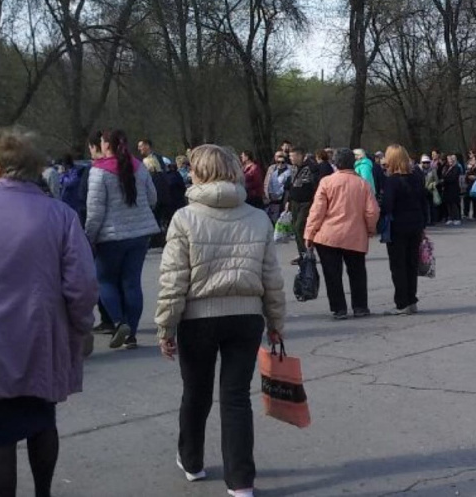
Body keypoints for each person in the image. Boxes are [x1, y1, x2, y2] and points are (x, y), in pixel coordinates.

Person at [155, 144, 285, 497]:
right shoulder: (258, 217)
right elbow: (271, 277)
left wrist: (166, 326)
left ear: (197, 173)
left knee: (195, 393)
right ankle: (241, 481)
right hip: (245, 316)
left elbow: (173, 279)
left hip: (198, 318)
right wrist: (275, 320)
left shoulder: (185, 218)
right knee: (236, 397)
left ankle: (192, 461)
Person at [0, 127, 99, 497]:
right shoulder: (59, 215)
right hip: (42, 337)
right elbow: (82, 285)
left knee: (0, 437)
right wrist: (82, 328)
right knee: (42, 420)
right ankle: (44, 492)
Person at [86, 129, 159, 349]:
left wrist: (89, 237)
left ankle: (118, 322)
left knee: (104, 280)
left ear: (106, 145)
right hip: (140, 234)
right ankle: (131, 334)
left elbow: (95, 212)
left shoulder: (99, 172)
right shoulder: (139, 166)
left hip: (111, 236)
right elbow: (153, 198)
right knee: (132, 283)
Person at [305, 149, 379, 319]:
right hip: (355, 234)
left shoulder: (326, 182)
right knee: (357, 272)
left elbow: (317, 211)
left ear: (336, 163)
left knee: (332, 274)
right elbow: (372, 211)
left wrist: (309, 233)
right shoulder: (363, 184)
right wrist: (370, 229)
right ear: (353, 163)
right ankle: (360, 306)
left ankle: (339, 309)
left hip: (328, 235)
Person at [380, 145, 426, 316]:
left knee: (398, 266)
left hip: (398, 227)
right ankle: (412, 300)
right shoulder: (416, 176)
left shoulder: (392, 180)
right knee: (411, 264)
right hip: (415, 224)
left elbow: (388, 206)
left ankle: (402, 303)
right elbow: (423, 202)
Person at [285, 147, 321, 264]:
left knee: (300, 226)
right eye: (290, 156)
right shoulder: (293, 169)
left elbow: (316, 182)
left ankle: (308, 252)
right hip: (295, 201)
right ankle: (302, 253)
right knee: (295, 228)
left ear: (300, 156)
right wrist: (288, 200)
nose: (291, 158)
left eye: (293, 156)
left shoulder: (310, 167)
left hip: (306, 202)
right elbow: (291, 185)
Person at [263, 151, 291, 223]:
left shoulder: (290, 170)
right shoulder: (272, 170)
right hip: (272, 200)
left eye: (282, 162)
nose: (280, 164)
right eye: (278, 162)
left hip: (283, 200)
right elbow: (267, 183)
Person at [439, 154, 462, 226]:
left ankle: (457, 218)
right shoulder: (447, 168)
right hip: (447, 188)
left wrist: (445, 180)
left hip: (453, 188)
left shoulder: (457, 168)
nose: (450, 161)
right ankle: (450, 218)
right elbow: (443, 175)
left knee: (454, 203)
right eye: (449, 160)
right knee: (448, 203)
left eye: (451, 160)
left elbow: (453, 178)